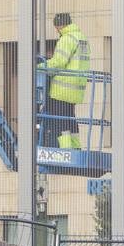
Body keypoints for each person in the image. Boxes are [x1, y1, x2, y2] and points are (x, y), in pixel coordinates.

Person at [42, 12, 90, 150]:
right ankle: (75, 147)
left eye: (56, 27)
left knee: (58, 118)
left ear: (59, 26)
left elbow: (59, 62)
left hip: (62, 88)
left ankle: (65, 149)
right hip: (76, 88)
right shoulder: (82, 38)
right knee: (69, 117)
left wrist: (40, 67)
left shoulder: (67, 39)